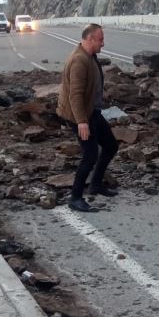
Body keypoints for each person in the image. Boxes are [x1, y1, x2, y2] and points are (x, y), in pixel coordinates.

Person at [56, 23, 118, 212]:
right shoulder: (79, 61)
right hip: (79, 115)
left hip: (92, 112)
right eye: (100, 39)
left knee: (110, 146)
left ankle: (96, 184)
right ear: (89, 39)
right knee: (90, 155)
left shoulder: (90, 56)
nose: (103, 43)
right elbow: (75, 95)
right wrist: (82, 122)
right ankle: (75, 197)